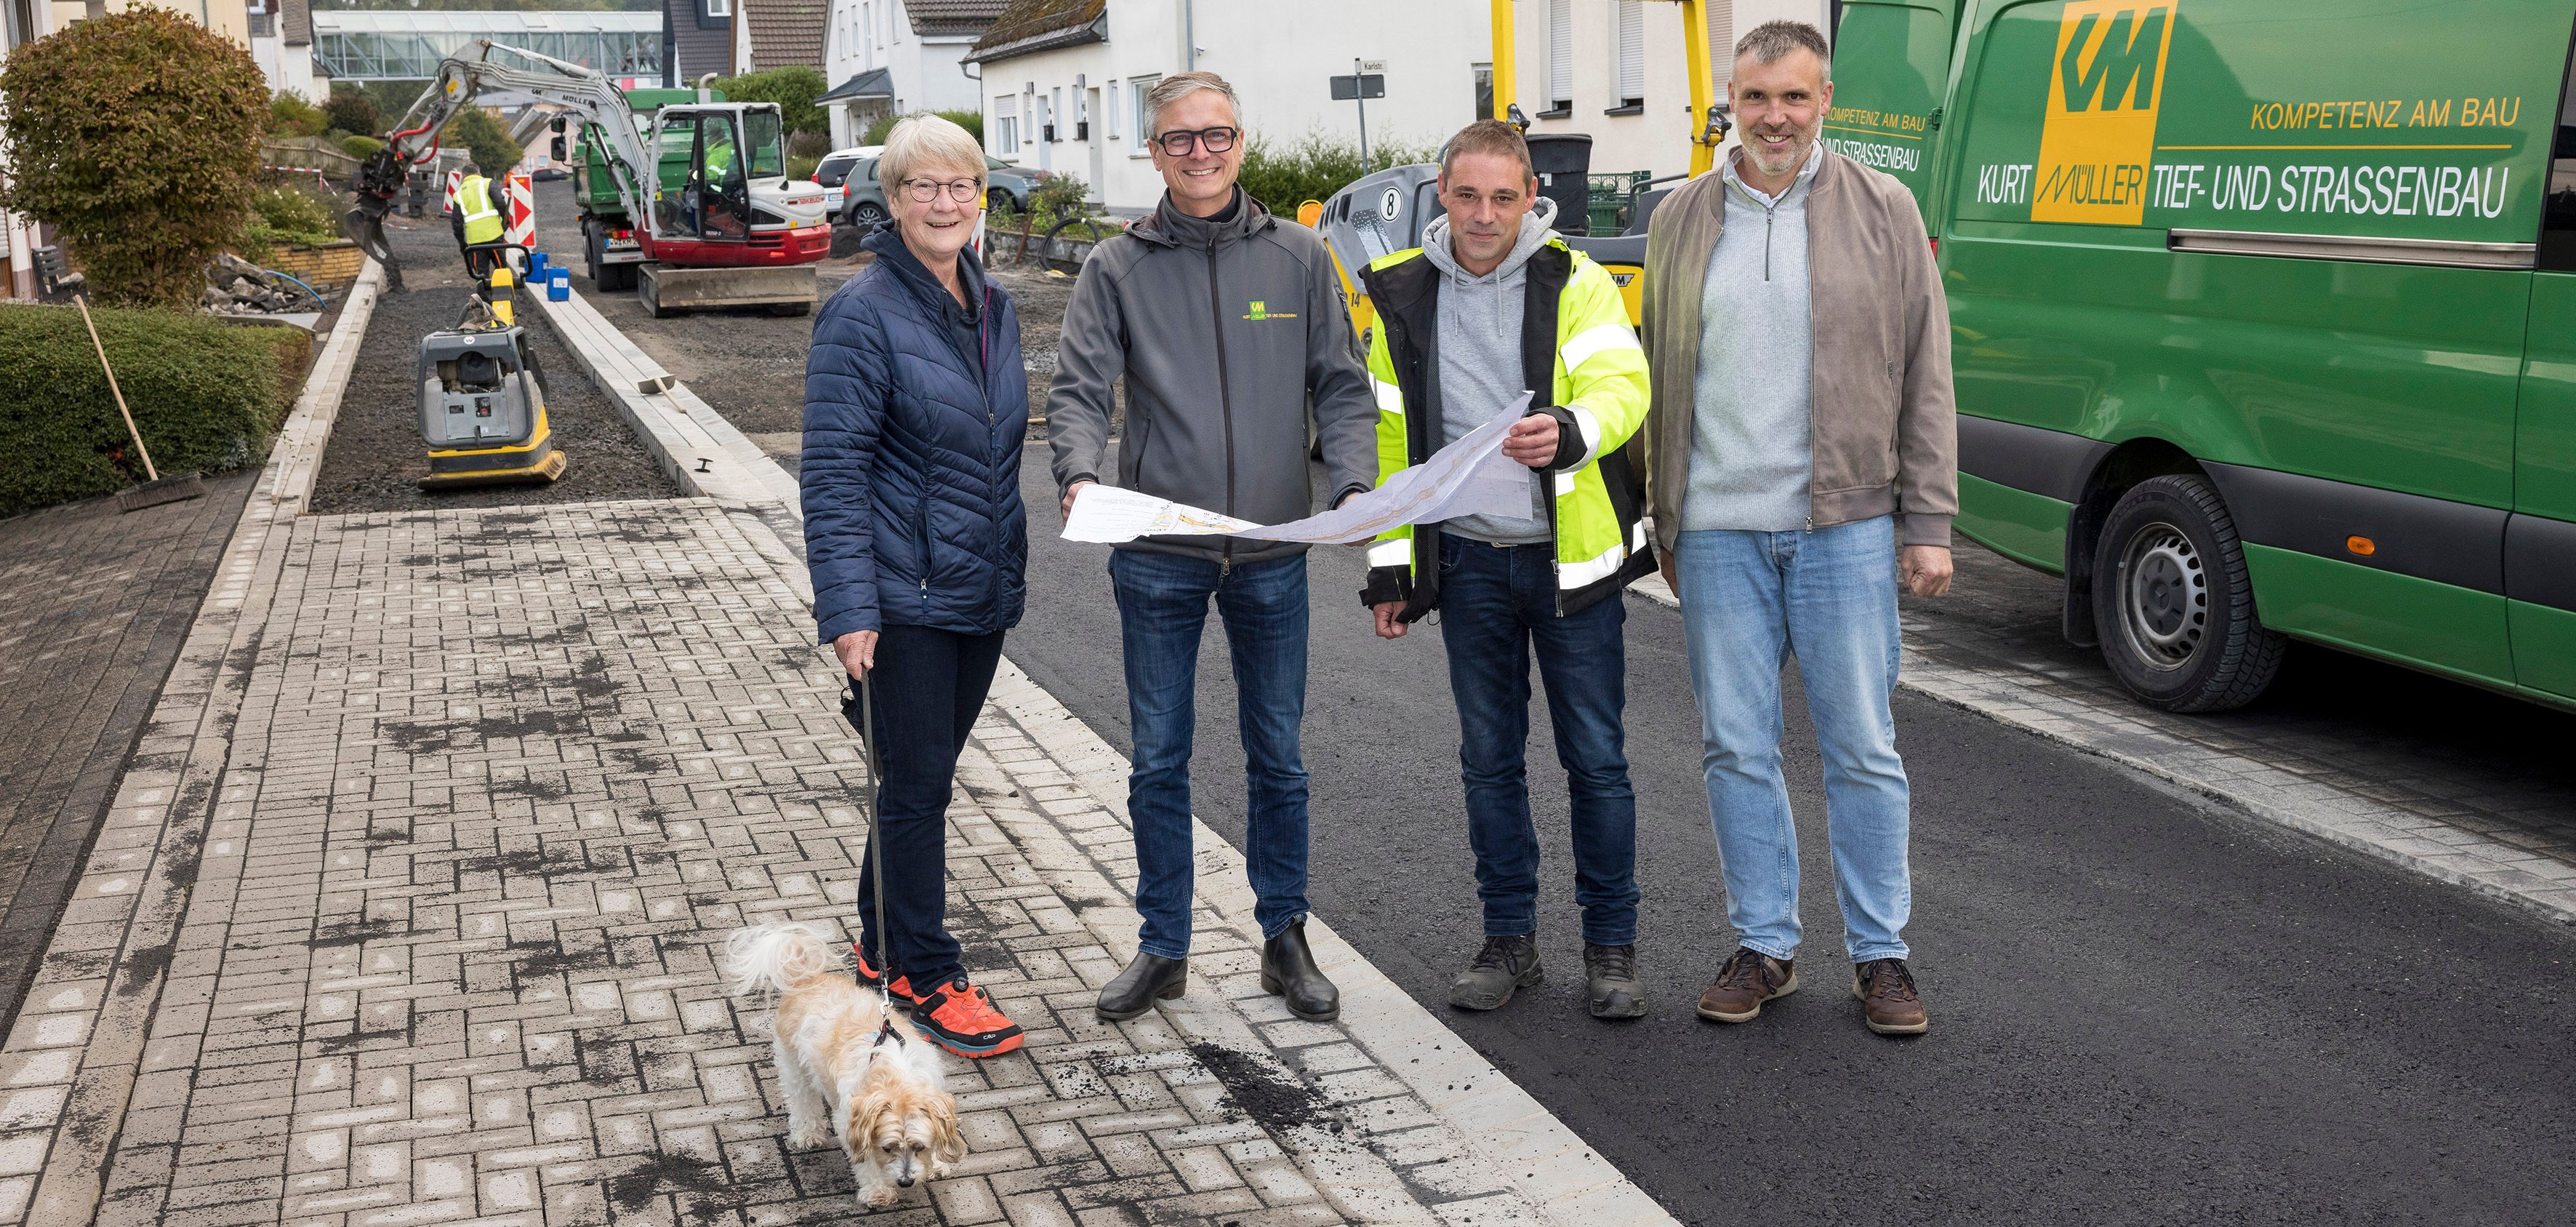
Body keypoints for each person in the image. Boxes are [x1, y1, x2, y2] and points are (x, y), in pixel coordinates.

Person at [1638, 20, 1957, 1037]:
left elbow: (1926, 369)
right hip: (1717, 530)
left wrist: (1928, 519)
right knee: (1736, 745)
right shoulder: (1680, 216)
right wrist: (1661, 514)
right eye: (1755, 97)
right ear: (1728, 103)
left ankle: (1881, 955)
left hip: (1845, 526)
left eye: (1793, 97)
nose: (1773, 116)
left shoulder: (1883, 208)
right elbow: (1654, 372)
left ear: (1825, 101)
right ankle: (1765, 944)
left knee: (1861, 746)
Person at [1047, 71, 1379, 1024]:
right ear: (1153, 152)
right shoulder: (1115, 267)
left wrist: (1352, 484)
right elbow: (1078, 389)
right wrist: (1078, 470)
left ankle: (1284, 938)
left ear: (1241, 140)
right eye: (1179, 139)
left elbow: (1341, 385)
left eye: (1216, 134)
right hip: (1159, 549)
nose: (1200, 153)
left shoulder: (1299, 257)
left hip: (1273, 550)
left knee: (1278, 755)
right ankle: (1163, 944)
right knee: (1158, 757)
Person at [1357, 121, 1654, 1019]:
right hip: (1470, 566)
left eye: (1502, 197)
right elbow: (1393, 442)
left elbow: (1624, 387)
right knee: (1489, 762)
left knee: (1595, 761)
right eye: (1467, 196)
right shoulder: (1402, 293)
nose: (1484, 215)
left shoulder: (1577, 280)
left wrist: (1569, 430)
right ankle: (1509, 940)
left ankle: (1611, 950)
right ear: (1441, 197)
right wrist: (1392, 570)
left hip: (1570, 567)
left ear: (1532, 199)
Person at [803, 114, 1032, 1058]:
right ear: (891, 202)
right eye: (923, 187)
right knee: (918, 788)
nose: (945, 203)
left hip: (979, 590)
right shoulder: (861, 314)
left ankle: (878, 940)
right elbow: (833, 472)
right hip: (905, 599)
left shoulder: (991, 302)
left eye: (960, 185)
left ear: (979, 196)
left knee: (914, 780)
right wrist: (850, 608)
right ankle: (924, 971)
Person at [449, 163, 506, 280]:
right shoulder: (487, 183)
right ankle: (504, 290)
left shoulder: (458, 194)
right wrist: (506, 220)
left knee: (481, 275)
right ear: (479, 173)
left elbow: (456, 222)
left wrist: (462, 243)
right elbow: (500, 203)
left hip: (475, 241)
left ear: (463, 175)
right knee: (502, 270)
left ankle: (483, 291)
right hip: (495, 236)